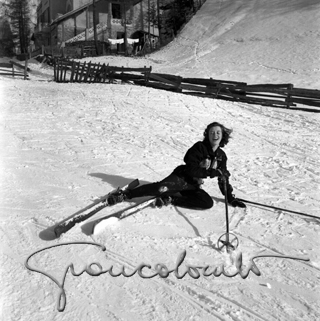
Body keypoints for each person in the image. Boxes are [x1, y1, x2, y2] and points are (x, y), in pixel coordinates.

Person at [108, 122, 246, 209]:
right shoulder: (199, 147)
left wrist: (230, 198)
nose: (215, 135)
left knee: (206, 202)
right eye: (212, 132)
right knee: (160, 188)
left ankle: (172, 199)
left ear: (222, 136)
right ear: (207, 135)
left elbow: (224, 177)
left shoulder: (221, 156)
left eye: (218, 132)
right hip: (181, 177)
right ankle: (126, 194)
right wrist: (210, 172)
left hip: (192, 185)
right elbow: (191, 168)